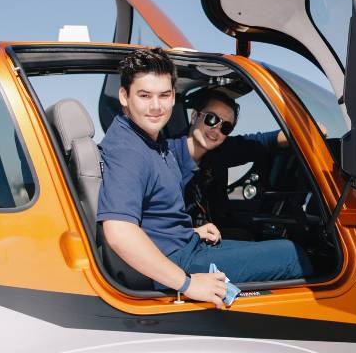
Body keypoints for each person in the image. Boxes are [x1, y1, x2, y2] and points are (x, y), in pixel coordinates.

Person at [96, 47, 312, 307]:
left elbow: (155, 215)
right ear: (124, 95)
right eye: (144, 95)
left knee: (276, 243)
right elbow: (119, 232)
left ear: (173, 97)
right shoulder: (128, 149)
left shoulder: (152, 142)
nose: (156, 106)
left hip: (186, 246)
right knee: (291, 255)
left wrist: (191, 231)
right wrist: (188, 283)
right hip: (177, 262)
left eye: (164, 95)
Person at [184, 87, 287, 233]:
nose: (216, 129)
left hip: (212, 232)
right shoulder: (165, 157)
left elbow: (264, 141)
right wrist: (194, 232)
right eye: (211, 119)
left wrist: (307, 133)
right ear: (194, 116)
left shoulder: (220, 151)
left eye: (226, 127)